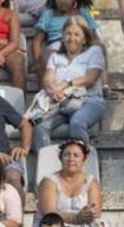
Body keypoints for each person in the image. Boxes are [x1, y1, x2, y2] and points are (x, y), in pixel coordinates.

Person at [37, 140, 108, 227]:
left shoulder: (91, 182)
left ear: (84, 160)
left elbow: (96, 211)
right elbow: (49, 213)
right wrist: (75, 218)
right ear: (60, 158)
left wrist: (89, 212)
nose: (71, 158)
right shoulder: (49, 181)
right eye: (67, 155)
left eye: (76, 155)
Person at [35, 16, 106, 145]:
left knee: (77, 123)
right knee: (39, 125)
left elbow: (89, 79)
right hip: (61, 104)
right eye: (68, 33)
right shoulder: (56, 55)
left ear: (85, 38)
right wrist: (53, 92)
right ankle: (45, 161)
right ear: (62, 36)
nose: (71, 38)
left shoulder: (94, 51)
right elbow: (47, 79)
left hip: (89, 102)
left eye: (77, 34)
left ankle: (83, 160)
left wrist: (64, 85)